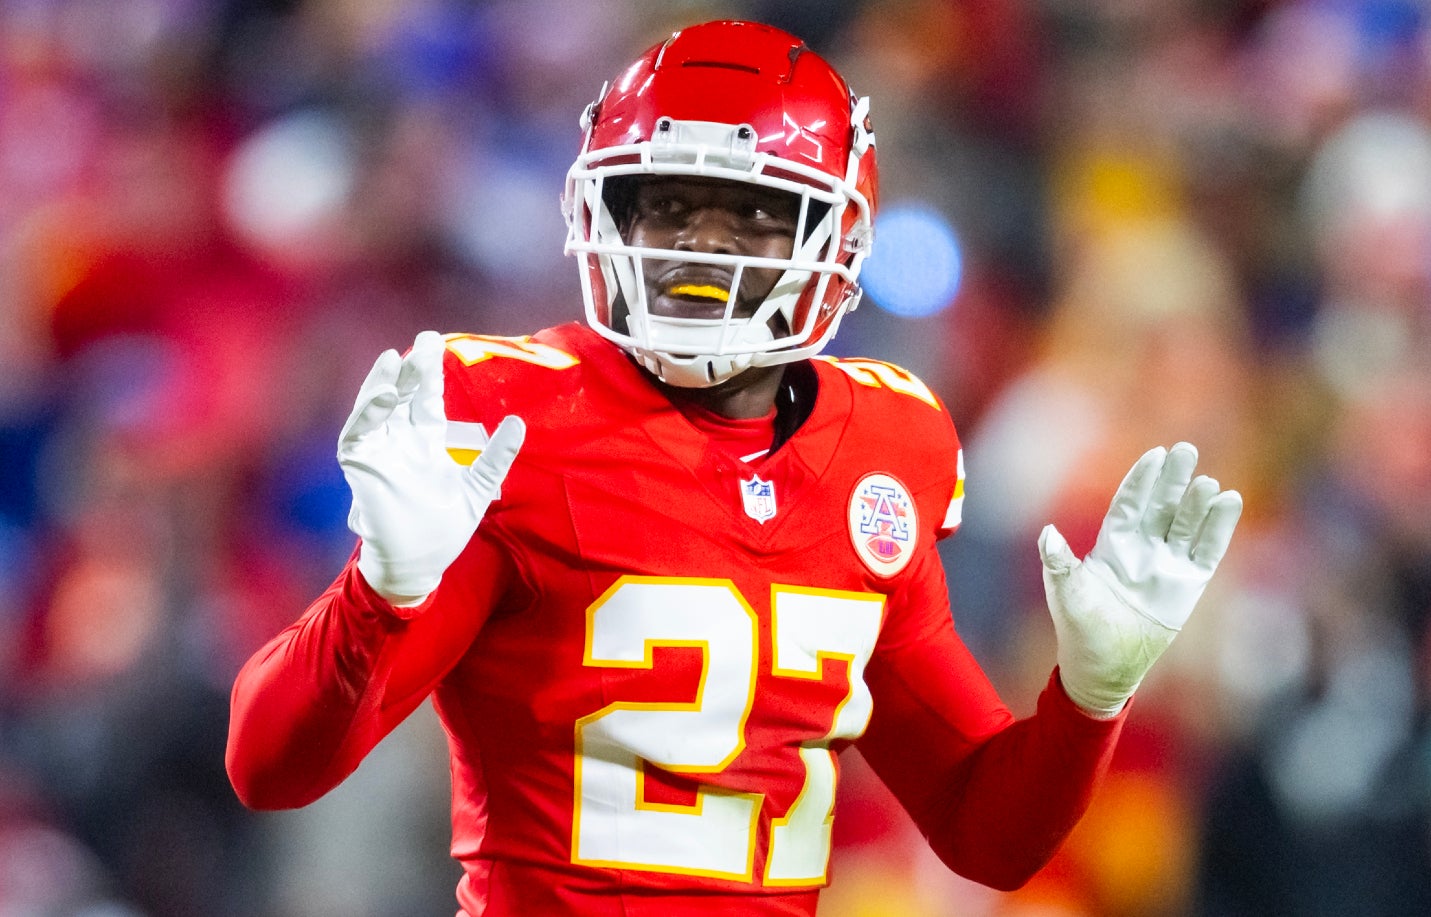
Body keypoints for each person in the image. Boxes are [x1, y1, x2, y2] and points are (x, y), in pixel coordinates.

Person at [225, 19, 1243, 916]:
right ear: (607, 216)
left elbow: (986, 832)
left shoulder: (884, 446)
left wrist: (1089, 697)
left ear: (836, 236)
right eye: (668, 206)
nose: (702, 249)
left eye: (752, 213)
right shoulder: (512, 426)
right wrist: (378, 595)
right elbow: (269, 765)